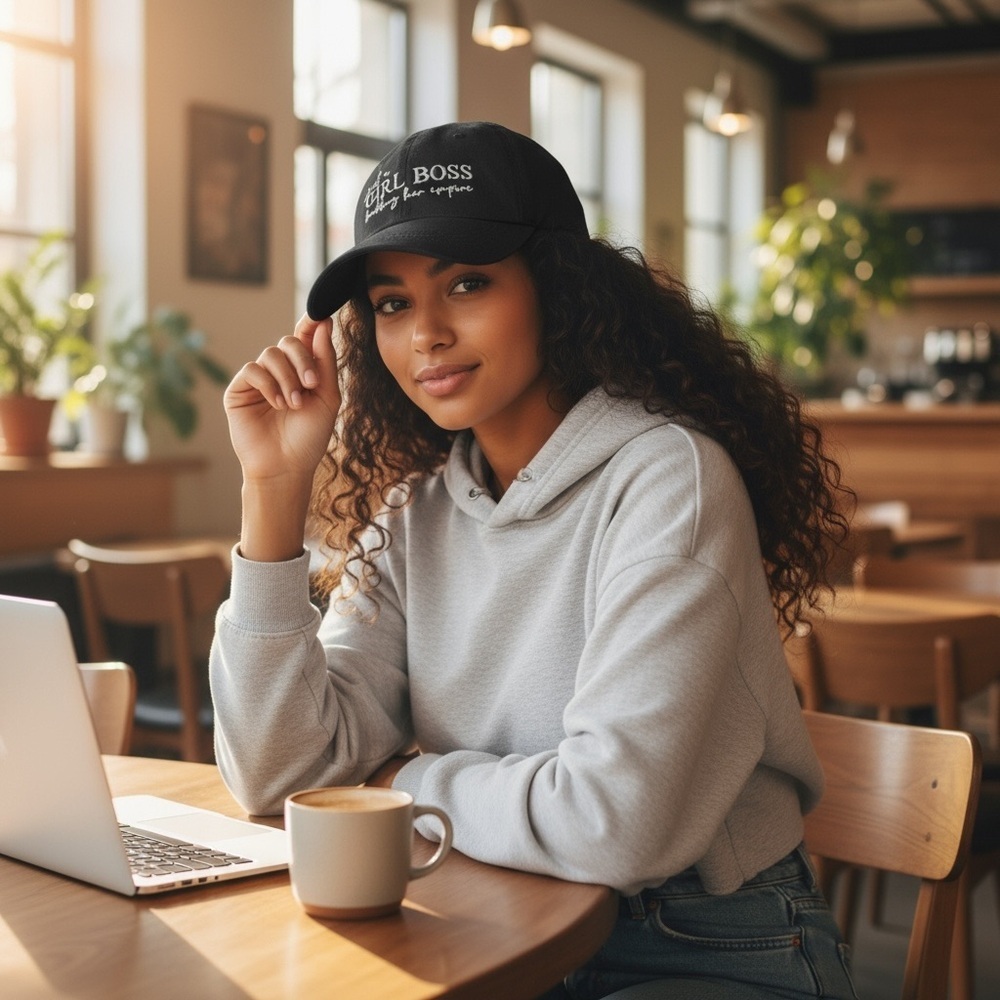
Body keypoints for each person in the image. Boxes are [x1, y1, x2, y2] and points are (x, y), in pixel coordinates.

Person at [211, 120, 856, 999]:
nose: (426, 333)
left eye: (467, 283)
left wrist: (401, 781)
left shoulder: (671, 479)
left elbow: (614, 824)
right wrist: (274, 492)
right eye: (392, 302)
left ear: (558, 287)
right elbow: (278, 776)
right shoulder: (414, 514)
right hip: (482, 913)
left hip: (700, 938)